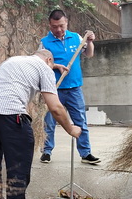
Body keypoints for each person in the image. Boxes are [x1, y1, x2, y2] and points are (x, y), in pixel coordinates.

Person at [0, 49, 82, 199]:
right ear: (49, 59)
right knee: (18, 168)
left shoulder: (12, 60)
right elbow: (56, 108)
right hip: (10, 113)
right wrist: (71, 129)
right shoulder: (45, 69)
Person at [39, 9, 100, 164]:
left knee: (80, 121)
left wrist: (90, 41)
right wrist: (56, 65)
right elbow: (40, 63)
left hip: (74, 88)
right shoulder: (44, 42)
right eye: (54, 27)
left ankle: (85, 153)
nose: (58, 30)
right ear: (49, 25)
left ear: (66, 22)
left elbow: (89, 54)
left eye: (61, 26)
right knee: (49, 122)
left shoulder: (77, 38)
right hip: (53, 89)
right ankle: (46, 151)